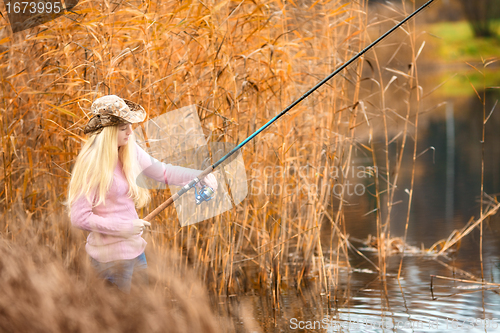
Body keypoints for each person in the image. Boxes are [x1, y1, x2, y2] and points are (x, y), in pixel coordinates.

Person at [66, 95, 218, 293]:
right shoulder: (92, 165)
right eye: (123, 128)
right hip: (109, 263)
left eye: (130, 126)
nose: (131, 131)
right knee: (118, 321)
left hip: (136, 253)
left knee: (143, 318)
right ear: (109, 132)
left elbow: (162, 171)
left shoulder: (128, 150)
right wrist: (124, 227)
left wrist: (198, 175)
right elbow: (79, 218)